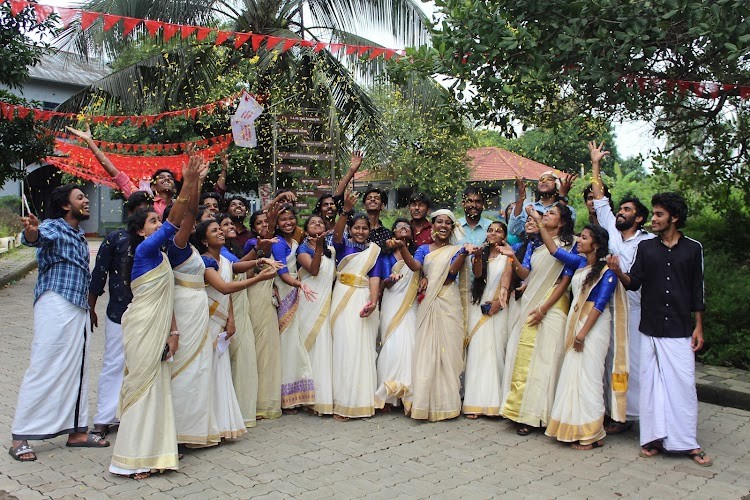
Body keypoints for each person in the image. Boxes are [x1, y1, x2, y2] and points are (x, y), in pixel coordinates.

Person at [109, 157, 199, 479]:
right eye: (152, 222)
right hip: (142, 326)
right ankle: (131, 459)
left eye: (156, 221)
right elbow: (175, 222)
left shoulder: (161, 256)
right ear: (139, 230)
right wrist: (187, 182)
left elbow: (185, 221)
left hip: (160, 328)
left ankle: (157, 454)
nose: (158, 225)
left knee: (158, 388)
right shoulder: (146, 252)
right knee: (142, 388)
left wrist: (173, 332)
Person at [608, 192, 712, 467]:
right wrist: (618, 272)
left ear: (674, 218)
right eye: (653, 214)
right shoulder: (646, 248)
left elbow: (697, 289)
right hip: (650, 326)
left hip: (679, 327)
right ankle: (653, 438)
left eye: (659, 215)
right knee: (651, 384)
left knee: (683, 384)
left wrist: (698, 326)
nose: (653, 219)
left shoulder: (693, 248)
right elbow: (634, 283)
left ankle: (687, 442)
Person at [10, 185, 106, 463]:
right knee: (45, 364)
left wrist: (89, 308)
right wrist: (31, 231)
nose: (86, 200)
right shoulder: (54, 225)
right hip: (56, 302)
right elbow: (35, 238)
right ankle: (20, 436)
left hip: (77, 307)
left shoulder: (78, 234)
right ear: (66, 205)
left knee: (77, 368)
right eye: (80, 198)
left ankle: (77, 432)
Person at [528, 210, 627, 450]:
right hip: (576, 323)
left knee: (589, 379)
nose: (579, 241)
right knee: (573, 375)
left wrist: (582, 334)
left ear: (596, 244)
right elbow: (554, 250)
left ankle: (592, 433)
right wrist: (540, 222)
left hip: (592, 328)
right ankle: (573, 428)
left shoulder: (607, 272)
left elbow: (600, 305)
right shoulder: (581, 262)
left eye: (583, 237)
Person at [588, 140, 654, 433]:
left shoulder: (648, 243)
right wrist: (595, 164)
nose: (620, 212)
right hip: (607, 306)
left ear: (639, 218)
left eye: (627, 210)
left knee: (632, 363)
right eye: (621, 209)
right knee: (605, 359)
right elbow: (600, 198)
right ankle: (606, 411)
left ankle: (630, 415)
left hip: (636, 310)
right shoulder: (612, 233)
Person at [499, 203, 575, 435]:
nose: (546, 216)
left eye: (552, 213)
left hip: (552, 306)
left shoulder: (570, 245)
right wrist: (513, 259)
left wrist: (544, 308)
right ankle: (518, 411)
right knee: (522, 355)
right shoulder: (538, 246)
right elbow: (528, 275)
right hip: (531, 303)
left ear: (561, 222)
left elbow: (565, 280)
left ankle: (536, 415)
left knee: (544, 361)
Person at [197, 219, 276, 436]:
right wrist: (259, 277)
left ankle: (221, 423)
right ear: (204, 240)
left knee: (220, 371)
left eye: (220, 229)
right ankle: (204, 425)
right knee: (208, 371)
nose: (221, 232)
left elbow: (235, 268)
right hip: (209, 319)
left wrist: (259, 260)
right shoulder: (205, 262)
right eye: (214, 231)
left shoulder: (222, 258)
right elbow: (224, 287)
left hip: (222, 319)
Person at [163, 157, 221, 448]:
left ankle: (194, 431)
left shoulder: (197, 253)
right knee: (183, 367)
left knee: (200, 367)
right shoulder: (177, 247)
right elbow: (188, 215)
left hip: (199, 310)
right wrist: (192, 182)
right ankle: (174, 432)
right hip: (184, 311)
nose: (193, 222)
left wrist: (196, 181)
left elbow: (192, 214)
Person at [88, 191, 153, 440]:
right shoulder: (115, 239)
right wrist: (91, 306)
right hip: (118, 311)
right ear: (129, 213)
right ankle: (104, 418)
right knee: (114, 363)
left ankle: (135, 414)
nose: (142, 212)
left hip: (148, 312)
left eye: (147, 208)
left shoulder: (158, 244)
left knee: (143, 363)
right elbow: (99, 274)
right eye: (138, 209)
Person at [66, 125, 227, 217]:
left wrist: (199, 178)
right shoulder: (144, 199)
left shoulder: (180, 203)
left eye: (170, 178)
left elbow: (193, 202)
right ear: (153, 187)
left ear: (175, 188)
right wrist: (90, 142)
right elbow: (115, 173)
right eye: (161, 178)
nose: (166, 179)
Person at [410, 210, 478, 421]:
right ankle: (423, 404)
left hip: (448, 300)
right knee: (426, 351)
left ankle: (447, 405)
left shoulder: (458, 250)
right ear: (432, 225)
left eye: (448, 223)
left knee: (448, 351)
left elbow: (450, 275)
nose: (443, 226)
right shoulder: (422, 249)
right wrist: (406, 252)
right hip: (428, 300)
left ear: (452, 227)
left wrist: (465, 254)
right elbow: (416, 266)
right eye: (439, 222)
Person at [330, 193, 387, 420]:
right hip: (342, 296)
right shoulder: (343, 248)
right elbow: (336, 235)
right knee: (344, 347)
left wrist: (373, 302)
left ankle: (361, 402)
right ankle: (343, 402)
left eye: (364, 228)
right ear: (350, 229)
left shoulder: (375, 251)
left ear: (369, 231)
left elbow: (375, 278)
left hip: (363, 299)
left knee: (362, 349)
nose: (360, 232)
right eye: (356, 228)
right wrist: (345, 211)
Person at [463, 221, 513, 419]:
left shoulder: (508, 254)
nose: (493, 233)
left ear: (504, 235)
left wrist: (498, 303)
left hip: (497, 307)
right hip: (479, 305)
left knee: (495, 353)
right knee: (477, 352)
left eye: (498, 231)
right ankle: (474, 403)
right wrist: (476, 257)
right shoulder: (482, 252)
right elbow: (478, 275)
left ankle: (494, 403)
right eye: (490, 230)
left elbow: (508, 281)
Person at [271, 205, 318, 412]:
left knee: (294, 343)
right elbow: (282, 273)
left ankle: (295, 393)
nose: (288, 222)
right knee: (286, 344)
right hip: (284, 291)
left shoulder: (295, 242)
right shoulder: (278, 243)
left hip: (295, 291)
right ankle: (283, 396)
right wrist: (299, 285)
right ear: (277, 224)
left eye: (291, 218)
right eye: (283, 220)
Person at [375, 219, 422, 412]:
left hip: (410, 303)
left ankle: (407, 394)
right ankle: (387, 394)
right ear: (393, 232)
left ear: (411, 233)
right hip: (392, 300)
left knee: (409, 343)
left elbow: (421, 270)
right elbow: (381, 280)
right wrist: (389, 281)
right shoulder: (385, 255)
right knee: (392, 345)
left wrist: (425, 278)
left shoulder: (418, 252)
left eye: (406, 228)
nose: (403, 229)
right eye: (399, 227)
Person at [297, 215, 337, 415]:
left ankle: (322, 397)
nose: (317, 225)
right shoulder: (302, 249)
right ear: (306, 231)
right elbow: (313, 271)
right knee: (310, 347)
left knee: (324, 347)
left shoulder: (331, 251)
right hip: (310, 302)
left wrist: (323, 247)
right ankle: (306, 397)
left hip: (326, 303)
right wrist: (319, 247)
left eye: (320, 223)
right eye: (313, 223)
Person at [246, 210, 283, 419]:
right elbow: (249, 272)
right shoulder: (252, 245)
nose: (263, 226)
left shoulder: (275, 244)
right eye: (259, 223)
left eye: (266, 222)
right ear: (253, 228)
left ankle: (267, 402)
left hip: (269, 296)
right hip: (253, 294)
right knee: (257, 349)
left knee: (269, 349)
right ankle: (254, 402)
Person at [508, 173, 578, 239]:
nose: (544, 181)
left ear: (557, 186)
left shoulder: (569, 210)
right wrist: (521, 199)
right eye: (541, 180)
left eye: (549, 179)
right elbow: (513, 230)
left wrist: (562, 196)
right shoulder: (527, 207)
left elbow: (565, 231)